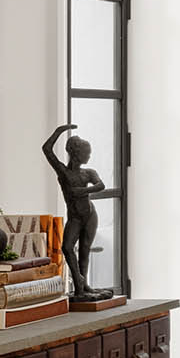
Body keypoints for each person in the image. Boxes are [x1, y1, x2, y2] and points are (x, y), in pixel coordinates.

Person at [43, 124, 112, 299]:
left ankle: (84, 287)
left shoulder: (88, 173)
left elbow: (101, 185)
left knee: (84, 250)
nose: (89, 156)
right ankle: (79, 283)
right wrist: (60, 131)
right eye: (86, 153)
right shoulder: (63, 172)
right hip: (75, 217)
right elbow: (47, 149)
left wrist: (81, 191)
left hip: (89, 215)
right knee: (67, 247)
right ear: (75, 153)